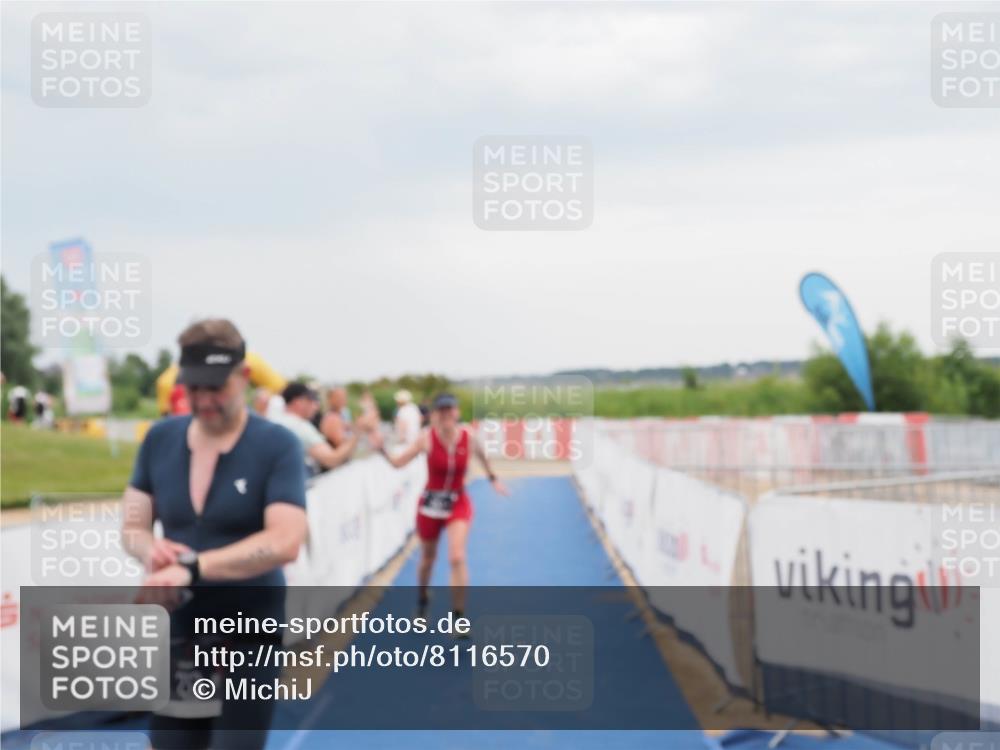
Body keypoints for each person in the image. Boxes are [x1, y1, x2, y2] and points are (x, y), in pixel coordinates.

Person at [121, 318, 308, 750]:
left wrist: (193, 567)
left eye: (216, 388)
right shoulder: (160, 438)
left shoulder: (278, 445)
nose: (204, 400)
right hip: (181, 632)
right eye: (195, 388)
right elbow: (133, 526)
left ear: (243, 377)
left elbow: (285, 540)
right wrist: (151, 551)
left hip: (249, 631)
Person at [370, 393, 509, 622]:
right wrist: (381, 449)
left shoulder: (469, 437)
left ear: (456, 412)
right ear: (434, 415)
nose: (446, 415)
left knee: (456, 556)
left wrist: (493, 479)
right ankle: (423, 599)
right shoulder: (426, 439)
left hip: (458, 502)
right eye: (441, 411)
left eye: (450, 410)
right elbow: (398, 463)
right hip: (430, 505)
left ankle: (459, 616)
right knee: (427, 559)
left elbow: (483, 457)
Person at [273, 381, 356, 475]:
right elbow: (332, 459)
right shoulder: (299, 426)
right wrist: (358, 433)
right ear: (298, 402)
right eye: (312, 400)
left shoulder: (279, 421)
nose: (316, 406)